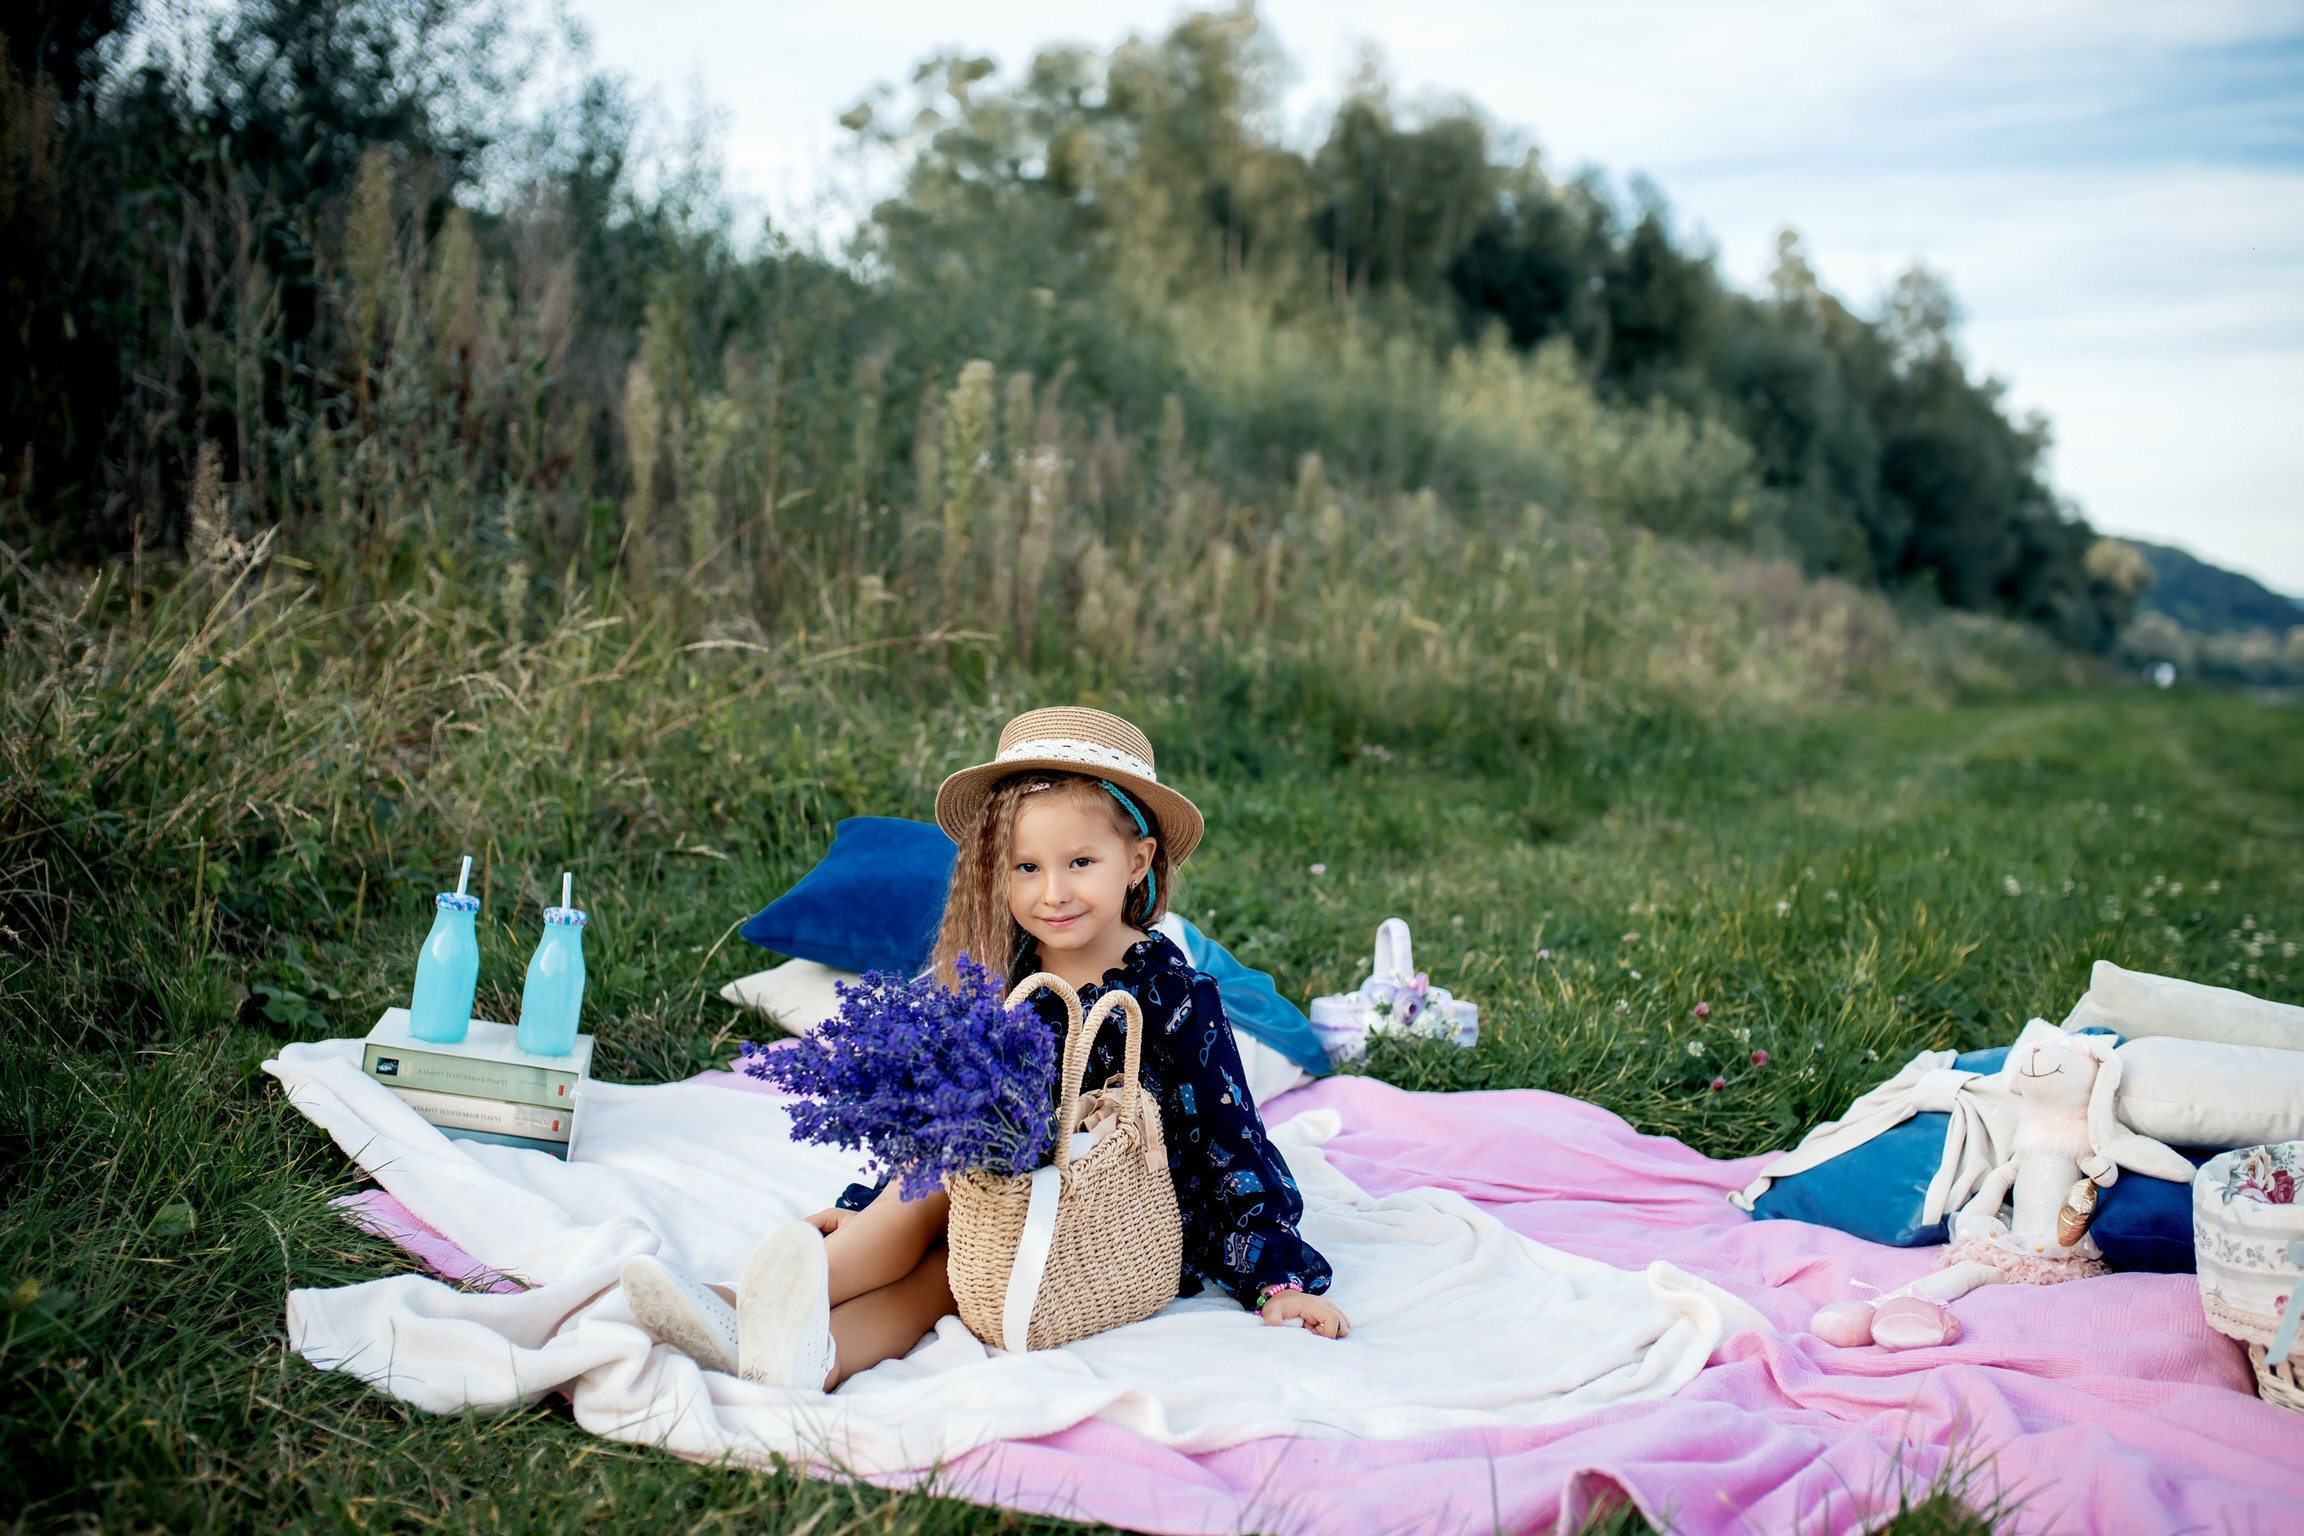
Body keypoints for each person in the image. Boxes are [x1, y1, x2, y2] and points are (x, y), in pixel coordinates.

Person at [621, 706, 1348, 1389]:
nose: (1052, 892)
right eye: (1026, 868)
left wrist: (1274, 1280)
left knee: (946, 1194)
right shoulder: (1003, 982)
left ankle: (739, 1301)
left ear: (1137, 861)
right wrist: (863, 1201)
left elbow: (1234, 1144)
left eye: (1080, 864)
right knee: (950, 1258)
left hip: (1113, 1217)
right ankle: (806, 1356)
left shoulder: (1175, 997)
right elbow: (938, 1118)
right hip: (1000, 1218)